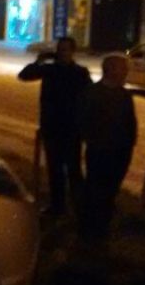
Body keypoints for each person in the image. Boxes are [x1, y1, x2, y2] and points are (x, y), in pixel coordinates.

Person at [18, 36, 92, 216]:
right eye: (60, 49)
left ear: (72, 52)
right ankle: (58, 207)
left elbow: (89, 98)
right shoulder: (50, 70)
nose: (63, 53)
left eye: (66, 49)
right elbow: (24, 75)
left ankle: (80, 208)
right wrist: (39, 61)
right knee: (55, 170)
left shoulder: (80, 73)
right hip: (52, 129)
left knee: (74, 171)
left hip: (72, 130)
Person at [77, 54, 137, 243]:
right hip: (100, 151)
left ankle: (102, 227)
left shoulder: (124, 95)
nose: (126, 72)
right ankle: (89, 230)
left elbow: (130, 123)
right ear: (109, 69)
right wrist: (95, 141)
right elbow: (83, 122)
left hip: (120, 152)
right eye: (122, 68)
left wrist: (128, 145)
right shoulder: (92, 93)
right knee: (95, 190)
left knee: (110, 191)